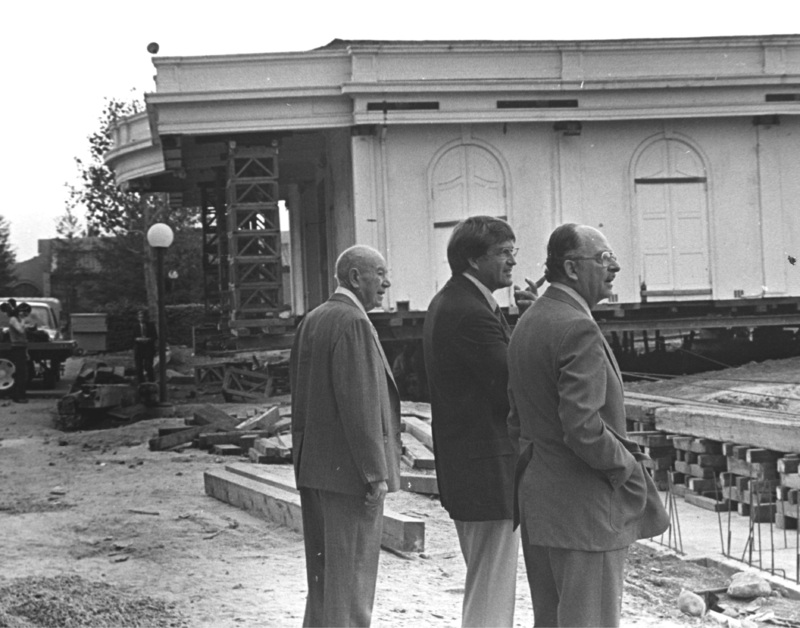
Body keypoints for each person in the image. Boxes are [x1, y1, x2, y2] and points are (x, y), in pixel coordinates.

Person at [507, 223, 669, 627]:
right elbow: (583, 427)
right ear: (573, 269)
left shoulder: (530, 322)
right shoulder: (577, 326)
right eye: (603, 259)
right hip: (585, 513)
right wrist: (626, 467)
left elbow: (516, 418)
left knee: (552, 619)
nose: (613, 268)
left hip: (543, 506)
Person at [422, 216, 541, 627]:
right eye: (503, 252)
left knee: (487, 582)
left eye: (513, 252)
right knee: (491, 586)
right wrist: (536, 322)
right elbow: (511, 382)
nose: (511, 261)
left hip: (474, 469)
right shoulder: (469, 312)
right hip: (485, 471)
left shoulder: (458, 301)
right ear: (473, 259)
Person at [290, 244, 402, 627]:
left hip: (316, 472)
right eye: (381, 273)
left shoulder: (313, 320)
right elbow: (362, 407)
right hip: (350, 478)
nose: (387, 283)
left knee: (323, 587)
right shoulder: (353, 323)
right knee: (351, 586)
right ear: (356, 277)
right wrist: (377, 473)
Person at [1, 299, 31, 403]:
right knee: (20, 373)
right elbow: (20, 330)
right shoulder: (14, 319)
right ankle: (18, 396)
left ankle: (20, 395)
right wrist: (23, 320)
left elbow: (24, 337)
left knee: (23, 373)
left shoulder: (16, 319)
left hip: (22, 347)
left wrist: (26, 352)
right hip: (17, 348)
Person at [132, 310, 157, 383]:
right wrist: (137, 339)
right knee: (139, 367)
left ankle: (151, 381)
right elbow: (132, 337)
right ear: (138, 318)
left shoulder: (151, 325)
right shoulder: (135, 326)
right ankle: (141, 382)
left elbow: (155, 336)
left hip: (148, 348)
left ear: (145, 318)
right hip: (139, 348)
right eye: (140, 317)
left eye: (143, 317)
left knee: (148, 366)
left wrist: (148, 339)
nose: (141, 318)